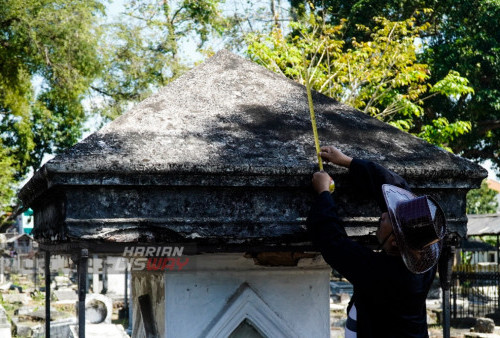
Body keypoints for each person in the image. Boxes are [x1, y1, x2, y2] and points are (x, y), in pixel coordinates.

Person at [307, 145, 447, 338]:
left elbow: (333, 242)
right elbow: (399, 188)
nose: (382, 215)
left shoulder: (381, 273)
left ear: (396, 243)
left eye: (389, 217)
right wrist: (348, 162)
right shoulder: (425, 254)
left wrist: (323, 193)